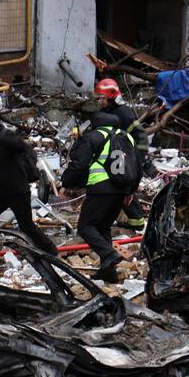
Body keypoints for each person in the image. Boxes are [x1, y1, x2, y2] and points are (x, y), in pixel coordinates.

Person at [0, 115, 59, 258]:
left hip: (17, 191)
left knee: (27, 226)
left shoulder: (6, 139)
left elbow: (20, 146)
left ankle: (51, 252)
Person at [62, 111, 133, 283]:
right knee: (103, 228)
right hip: (122, 188)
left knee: (86, 227)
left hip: (101, 187)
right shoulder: (127, 138)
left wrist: (66, 182)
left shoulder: (93, 137)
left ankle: (109, 254)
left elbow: (79, 163)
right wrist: (131, 190)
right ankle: (108, 272)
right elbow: (137, 164)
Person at [93, 78, 149, 228]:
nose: (99, 102)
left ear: (111, 96)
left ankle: (137, 221)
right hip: (115, 154)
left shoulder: (124, 113)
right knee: (113, 186)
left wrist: (137, 158)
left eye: (102, 98)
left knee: (122, 187)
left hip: (126, 156)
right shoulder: (107, 111)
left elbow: (141, 136)